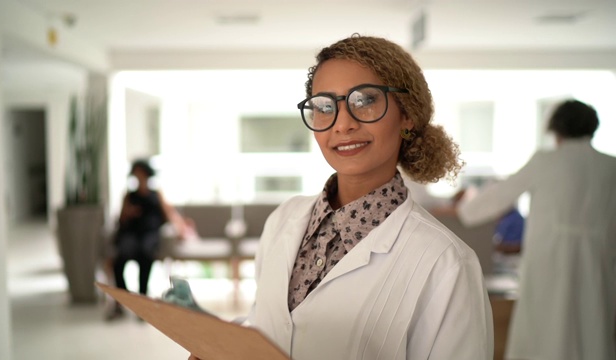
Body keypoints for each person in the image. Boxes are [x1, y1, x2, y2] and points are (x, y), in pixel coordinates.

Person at [190, 34, 493, 359]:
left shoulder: (446, 262)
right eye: (324, 107)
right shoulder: (284, 219)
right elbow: (267, 325)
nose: (342, 124)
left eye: (364, 101)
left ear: (407, 116)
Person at [457, 99, 616, 360]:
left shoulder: (546, 160)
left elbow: (495, 199)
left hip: (549, 264)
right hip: (598, 266)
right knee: (593, 330)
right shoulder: (611, 166)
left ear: (556, 129)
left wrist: (463, 210)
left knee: (545, 334)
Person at [106, 159, 193, 321]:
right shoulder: (129, 196)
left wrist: (181, 228)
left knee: (145, 255)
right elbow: (121, 218)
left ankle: (142, 300)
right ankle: (122, 301)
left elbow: (170, 213)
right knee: (120, 258)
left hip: (149, 234)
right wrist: (129, 212)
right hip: (131, 233)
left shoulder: (156, 194)